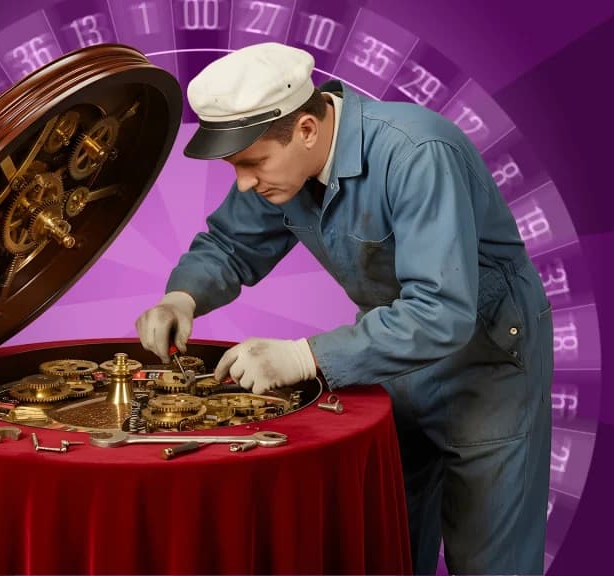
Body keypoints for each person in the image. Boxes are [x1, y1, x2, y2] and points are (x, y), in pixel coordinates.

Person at [135, 42, 553, 574]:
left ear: (307, 129)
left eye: (253, 163)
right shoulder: (284, 163)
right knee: (387, 547)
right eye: (235, 166)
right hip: (387, 362)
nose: (244, 182)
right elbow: (230, 243)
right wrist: (181, 297)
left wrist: (303, 357)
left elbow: (441, 311)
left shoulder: (416, 153)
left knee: (492, 560)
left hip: (487, 365)